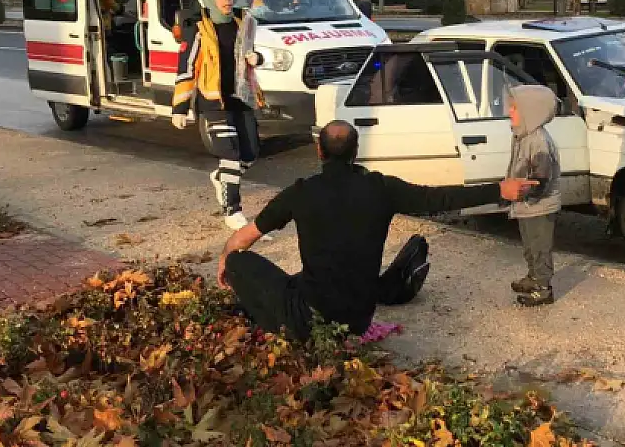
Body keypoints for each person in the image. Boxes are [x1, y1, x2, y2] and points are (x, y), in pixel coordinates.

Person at [216, 119, 538, 341]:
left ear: (319, 151)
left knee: (240, 261)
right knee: (301, 279)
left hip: (311, 317)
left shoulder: (300, 192)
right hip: (358, 318)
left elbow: (245, 237)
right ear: (356, 151)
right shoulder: (381, 188)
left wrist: (225, 261)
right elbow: (439, 198)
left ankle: (278, 327)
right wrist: (499, 190)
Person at [171, 0, 266, 230]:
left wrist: (257, 57)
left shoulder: (241, 23)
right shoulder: (199, 29)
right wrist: (180, 107)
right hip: (213, 102)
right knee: (230, 155)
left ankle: (221, 178)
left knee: (250, 154)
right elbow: (187, 68)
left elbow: (251, 54)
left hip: (240, 99)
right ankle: (232, 211)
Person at [505, 85, 562, 307]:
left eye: (515, 108)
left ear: (531, 111)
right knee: (529, 245)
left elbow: (541, 178)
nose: (510, 112)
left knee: (540, 247)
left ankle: (543, 287)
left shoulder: (538, 141)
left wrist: (526, 193)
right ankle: (533, 277)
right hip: (526, 206)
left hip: (539, 206)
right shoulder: (522, 136)